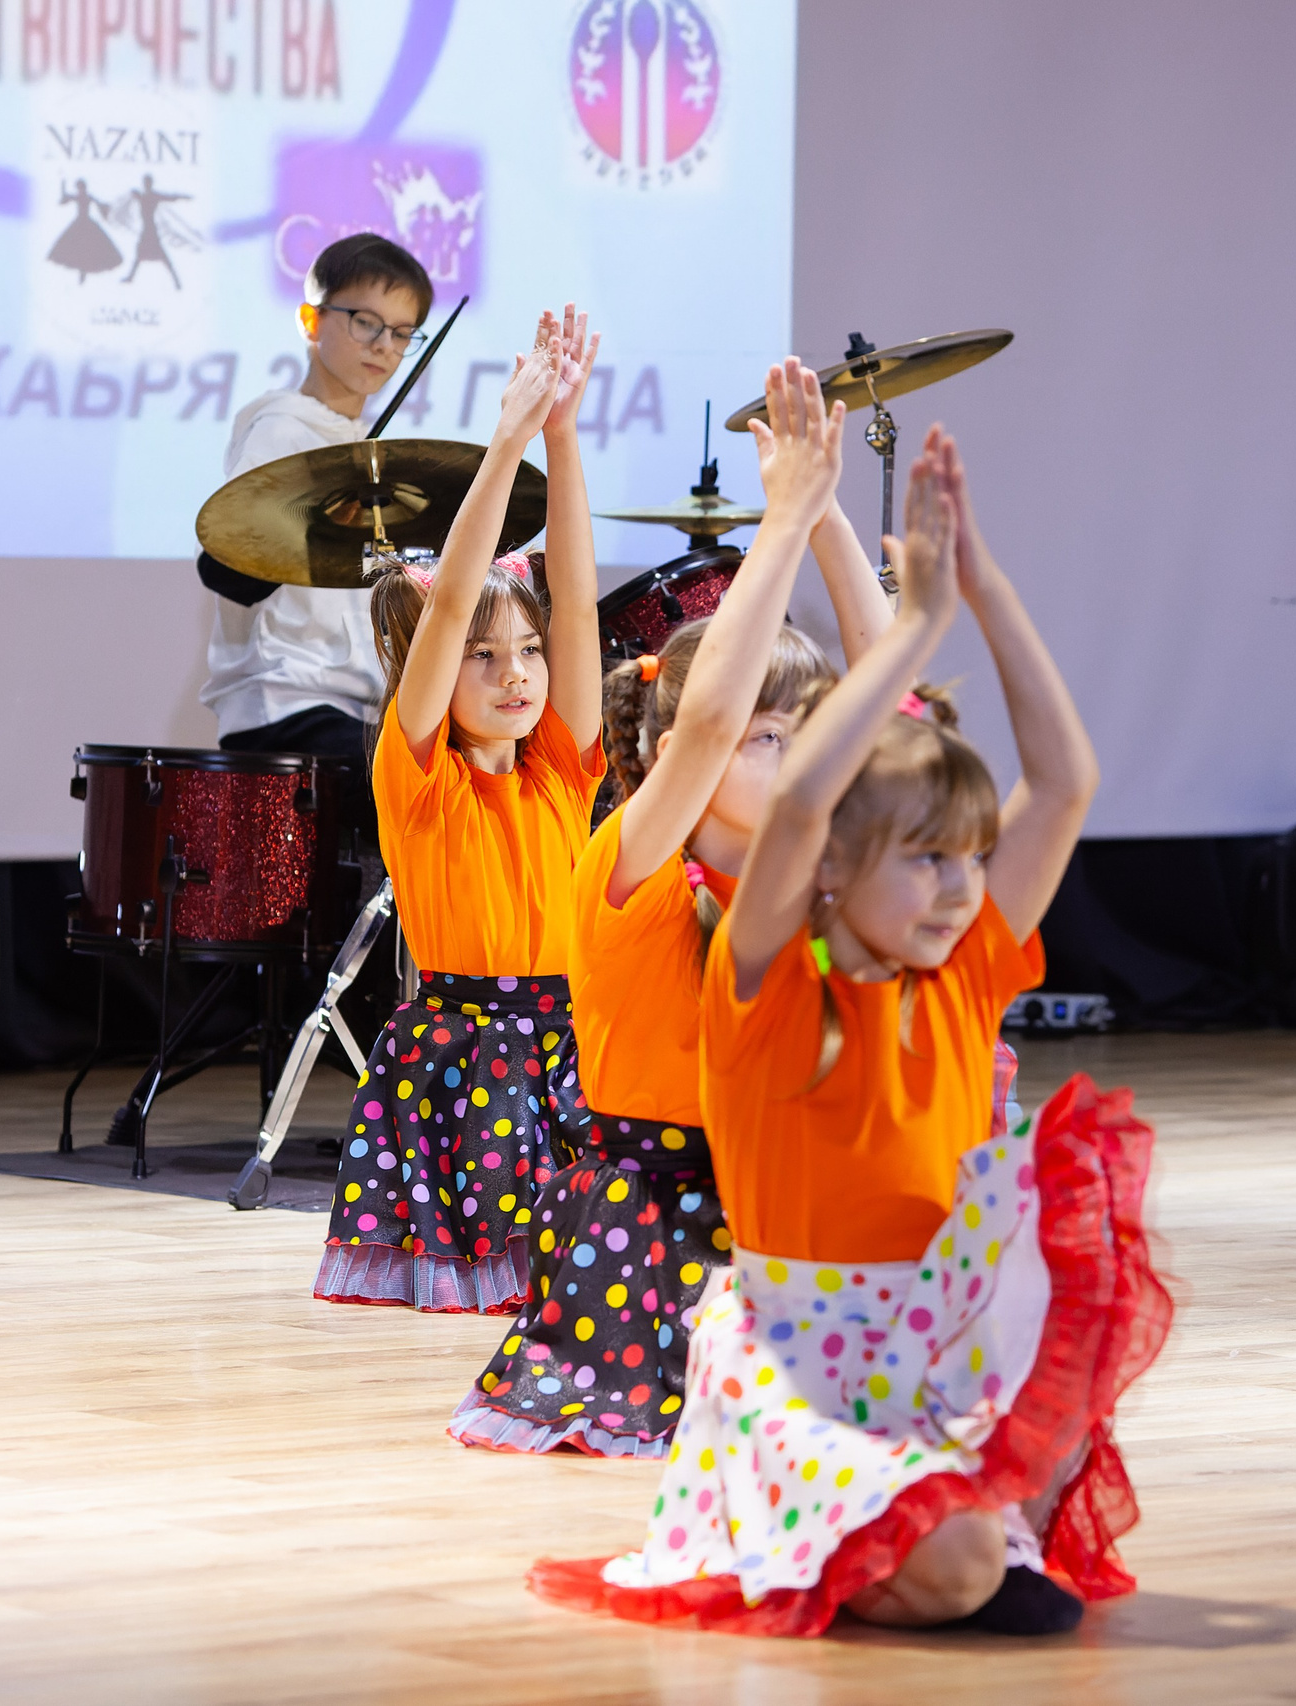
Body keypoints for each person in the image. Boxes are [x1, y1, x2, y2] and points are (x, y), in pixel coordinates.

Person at [530, 428, 1171, 1637]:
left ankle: (927, 1523)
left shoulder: (959, 968)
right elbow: (790, 778)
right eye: (924, 861)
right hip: (803, 1356)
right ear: (829, 867)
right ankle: (865, 1531)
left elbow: (1063, 782)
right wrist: (880, 595)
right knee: (967, 1567)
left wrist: (980, 588)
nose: (957, 889)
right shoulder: (768, 976)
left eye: (967, 864)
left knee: (1037, 1451)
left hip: (931, 1331)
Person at [448, 357, 875, 1452]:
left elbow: (896, 698)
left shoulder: (808, 864)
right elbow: (717, 713)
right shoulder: (629, 857)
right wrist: (778, 525)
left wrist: (820, 512)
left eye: (805, 735)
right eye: (768, 740)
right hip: (651, 1225)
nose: (791, 758)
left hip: (775, 1206)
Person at [313, 310, 608, 1312]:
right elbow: (447, 609)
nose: (517, 673)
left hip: (569, 1048)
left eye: (526, 653)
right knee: (480, 1294)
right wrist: (508, 443)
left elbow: (577, 598)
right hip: (460, 1055)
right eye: (486, 658)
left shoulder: (561, 768)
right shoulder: (421, 773)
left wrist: (563, 439)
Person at [203, 234, 433, 792]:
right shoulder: (283, 427)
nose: (384, 345)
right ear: (311, 320)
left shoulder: (362, 446)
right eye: (365, 321)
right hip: (288, 701)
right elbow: (229, 566)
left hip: (354, 704)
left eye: (402, 333)